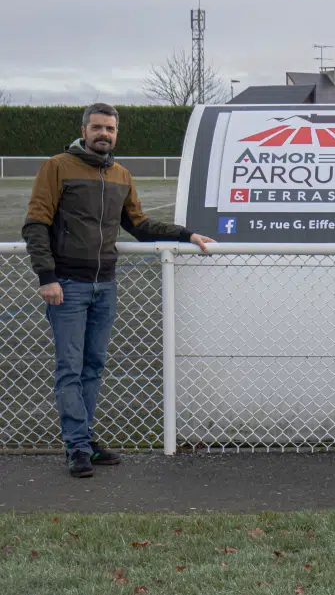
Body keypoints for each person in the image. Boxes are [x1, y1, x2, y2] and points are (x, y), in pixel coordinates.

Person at [21, 103, 215, 478]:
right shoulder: (57, 167)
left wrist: (186, 234)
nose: (103, 134)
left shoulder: (121, 174)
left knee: (93, 367)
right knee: (69, 369)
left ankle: (85, 439)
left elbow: (139, 225)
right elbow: (36, 224)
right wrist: (47, 276)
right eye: (97, 127)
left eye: (109, 129)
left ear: (115, 133)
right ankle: (77, 447)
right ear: (84, 130)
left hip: (105, 286)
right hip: (67, 286)